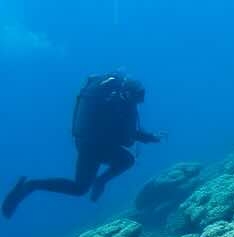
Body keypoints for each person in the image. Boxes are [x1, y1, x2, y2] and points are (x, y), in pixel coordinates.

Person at [2, 73, 161, 218]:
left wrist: (148, 137)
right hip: (92, 147)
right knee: (80, 188)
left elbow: (128, 133)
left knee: (124, 161)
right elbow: (127, 137)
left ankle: (99, 181)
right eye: (137, 99)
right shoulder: (117, 105)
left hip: (90, 142)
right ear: (127, 93)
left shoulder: (117, 98)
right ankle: (31, 185)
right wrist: (148, 137)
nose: (140, 102)